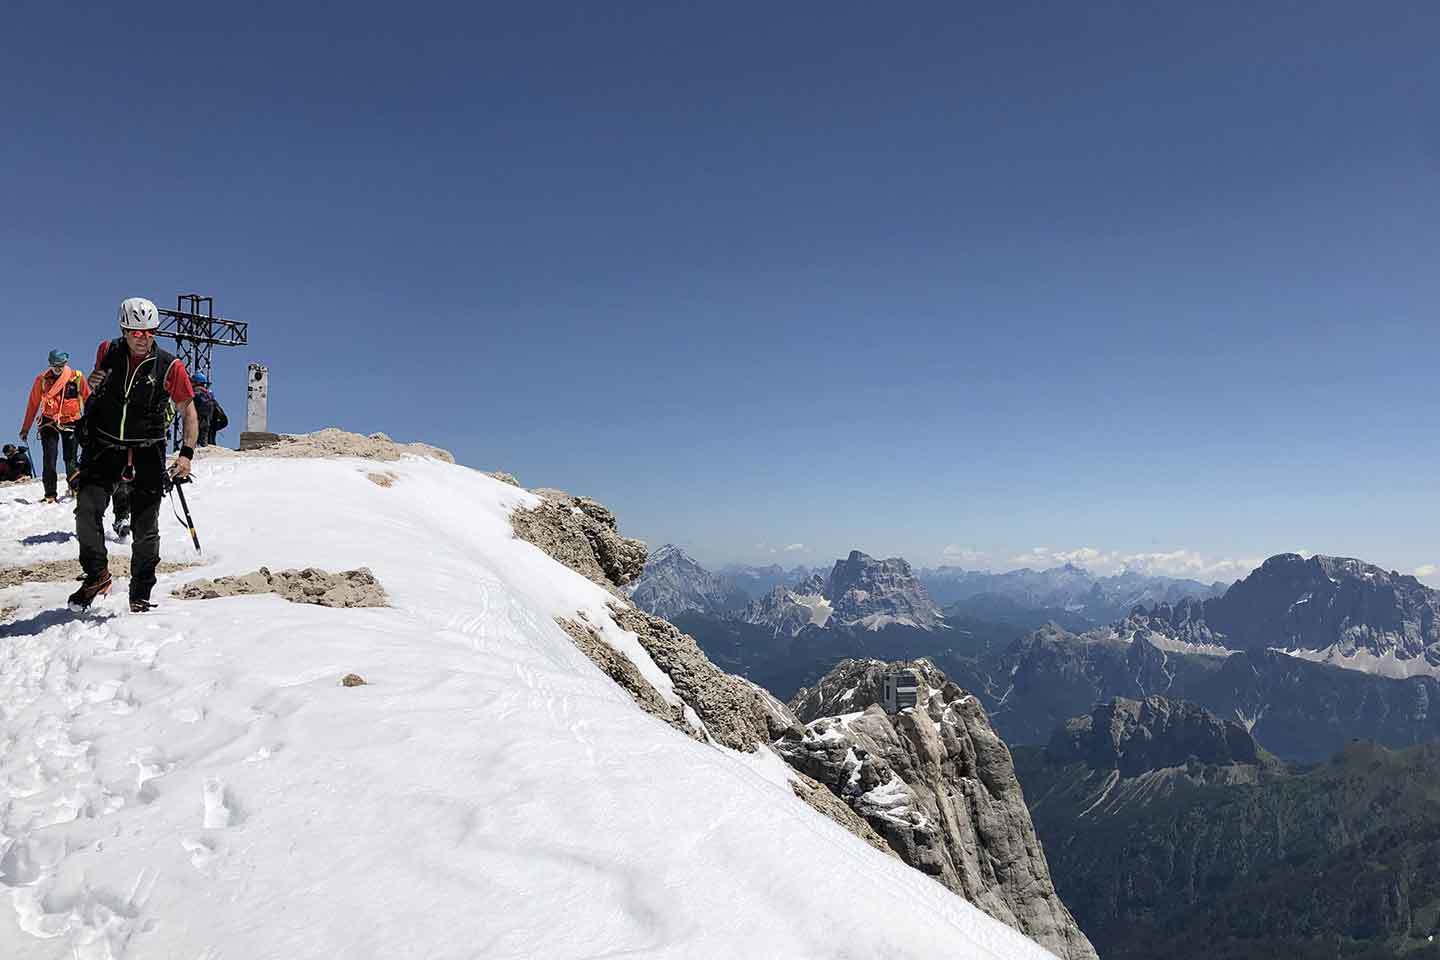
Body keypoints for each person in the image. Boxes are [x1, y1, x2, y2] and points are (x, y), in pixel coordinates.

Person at [68, 297, 199, 613]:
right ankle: (96, 575)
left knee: (145, 526)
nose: (143, 338)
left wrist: (186, 454)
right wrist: (92, 384)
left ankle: (140, 594)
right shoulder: (107, 351)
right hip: (105, 446)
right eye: (136, 332)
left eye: (150, 332)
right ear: (124, 330)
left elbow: (189, 412)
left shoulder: (171, 366)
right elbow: (94, 391)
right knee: (87, 509)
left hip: (147, 450)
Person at [20, 349, 90, 502]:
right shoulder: (42, 379)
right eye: (55, 365)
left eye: (61, 365)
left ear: (66, 363)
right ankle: (50, 494)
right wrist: (26, 428)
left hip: (71, 420)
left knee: (70, 458)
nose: (58, 368)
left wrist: (92, 422)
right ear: (50, 364)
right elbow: (32, 404)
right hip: (49, 421)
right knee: (49, 458)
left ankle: (75, 487)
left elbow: (88, 399)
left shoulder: (77, 377)